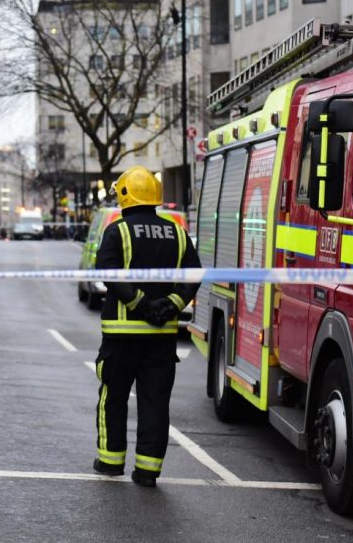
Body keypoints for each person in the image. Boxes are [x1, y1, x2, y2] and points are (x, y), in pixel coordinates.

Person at [92, 166, 200, 488]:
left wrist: (139, 303)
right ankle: (148, 471)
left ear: (125, 195)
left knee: (113, 398)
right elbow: (193, 275)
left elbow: (108, 273)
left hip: (121, 337)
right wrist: (171, 305)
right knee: (155, 403)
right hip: (161, 339)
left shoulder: (118, 231)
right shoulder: (177, 233)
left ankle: (111, 462)